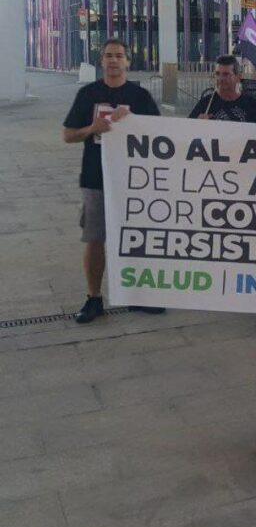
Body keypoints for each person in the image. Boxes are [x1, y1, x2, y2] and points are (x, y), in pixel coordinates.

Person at [63, 38, 162, 323]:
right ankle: (93, 299)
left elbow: (158, 133)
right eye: (108, 56)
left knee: (137, 240)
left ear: (128, 61)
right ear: (101, 61)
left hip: (134, 180)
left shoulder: (139, 96)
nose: (114, 61)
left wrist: (132, 121)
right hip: (96, 178)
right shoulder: (88, 94)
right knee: (95, 239)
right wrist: (92, 128)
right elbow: (68, 135)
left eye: (119, 56)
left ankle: (139, 296)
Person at [188, 55, 256, 123]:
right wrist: (197, 124)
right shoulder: (205, 104)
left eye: (226, 74)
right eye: (217, 74)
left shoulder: (252, 105)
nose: (220, 78)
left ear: (238, 77)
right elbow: (186, 133)